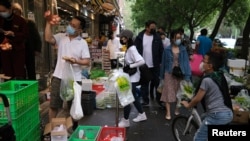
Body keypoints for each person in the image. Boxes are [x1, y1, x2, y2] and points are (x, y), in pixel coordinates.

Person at [44, 10, 91, 130]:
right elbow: (48, 38)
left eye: (74, 26)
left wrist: (76, 61)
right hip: (58, 76)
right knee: (54, 105)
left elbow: (86, 61)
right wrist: (49, 23)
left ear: (80, 30)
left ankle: (74, 129)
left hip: (75, 79)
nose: (70, 26)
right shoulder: (61, 37)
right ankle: (52, 131)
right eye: (70, 23)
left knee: (74, 106)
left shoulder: (82, 43)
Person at [181, 51, 233, 141]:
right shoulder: (220, 75)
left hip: (217, 115)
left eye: (204, 61)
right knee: (203, 117)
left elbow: (197, 99)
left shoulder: (207, 80)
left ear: (210, 66)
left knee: (198, 138)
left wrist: (188, 105)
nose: (201, 63)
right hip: (228, 113)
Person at [160, 29, 191, 120]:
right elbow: (163, 63)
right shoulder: (167, 50)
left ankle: (177, 108)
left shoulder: (183, 49)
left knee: (179, 92)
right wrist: (161, 77)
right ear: (172, 38)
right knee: (168, 92)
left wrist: (187, 76)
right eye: (177, 38)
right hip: (169, 73)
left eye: (180, 38)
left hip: (180, 73)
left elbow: (186, 63)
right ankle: (168, 112)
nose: (179, 39)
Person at [118, 29, 147, 127]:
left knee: (127, 98)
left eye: (122, 37)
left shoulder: (132, 49)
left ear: (127, 38)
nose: (121, 39)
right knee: (133, 97)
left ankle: (126, 120)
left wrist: (130, 66)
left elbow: (142, 61)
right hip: (131, 77)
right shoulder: (129, 48)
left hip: (133, 78)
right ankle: (142, 114)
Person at [134, 20, 164, 108]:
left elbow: (161, 50)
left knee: (157, 83)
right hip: (144, 65)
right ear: (146, 28)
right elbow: (135, 50)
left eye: (155, 28)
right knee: (144, 84)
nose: (154, 29)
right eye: (152, 28)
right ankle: (145, 100)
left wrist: (161, 62)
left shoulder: (157, 37)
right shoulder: (140, 37)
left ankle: (160, 101)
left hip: (155, 65)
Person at [12, 2, 42, 80]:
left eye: (16, 11)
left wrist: (37, 49)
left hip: (28, 50)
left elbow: (36, 37)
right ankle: (21, 87)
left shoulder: (29, 23)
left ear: (20, 12)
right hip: (16, 51)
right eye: (13, 11)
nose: (15, 13)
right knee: (19, 71)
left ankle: (32, 87)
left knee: (31, 69)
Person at [0, 0, 28, 79]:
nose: (2, 13)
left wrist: (13, 34)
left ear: (10, 9)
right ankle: (8, 89)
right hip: (4, 51)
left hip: (18, 51)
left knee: (19, 73)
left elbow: (25, 35)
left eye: (3, 11)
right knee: (7, 74)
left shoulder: (20, 20)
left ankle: (20, 89)